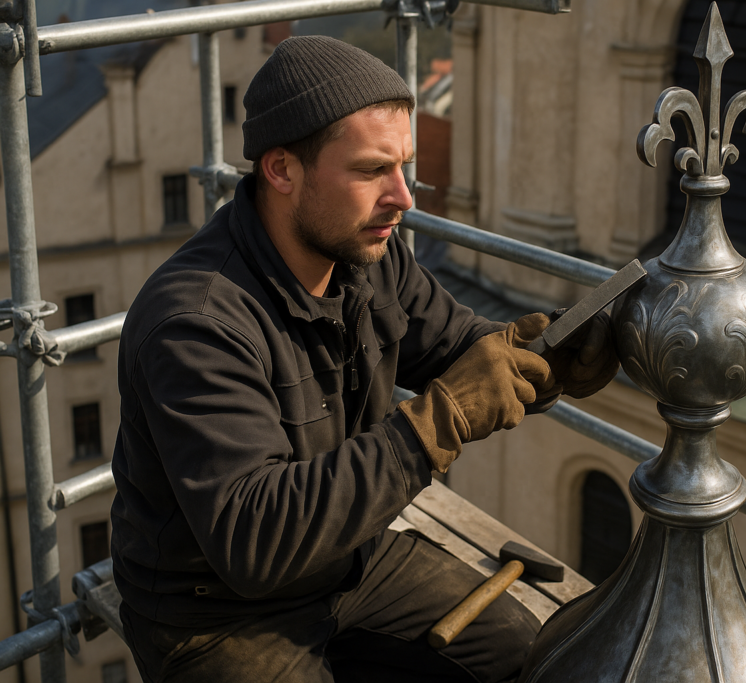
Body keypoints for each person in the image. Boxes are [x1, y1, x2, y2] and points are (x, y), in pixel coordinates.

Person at [109, 36, 618, 683]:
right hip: (214, 615)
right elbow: (255, 543)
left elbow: (457, 346)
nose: (403, 197)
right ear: (282, 170)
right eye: (373, 170)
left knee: (532, 656)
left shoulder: (366, 256)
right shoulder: (197, 322)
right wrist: (437, 424)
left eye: (403, 167)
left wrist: (544, 359)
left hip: (350, 561)